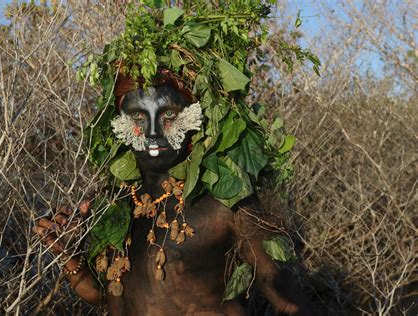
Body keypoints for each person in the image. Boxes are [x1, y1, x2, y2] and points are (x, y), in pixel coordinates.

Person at [34, 72, 316, 315]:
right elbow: (107, 298)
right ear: (119, 124)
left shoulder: (224, 202)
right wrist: (69, 255)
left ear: (193, 117)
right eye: (138, 117)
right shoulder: (114, 206)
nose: (154, 131)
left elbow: (289, 303)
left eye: (169, 115)